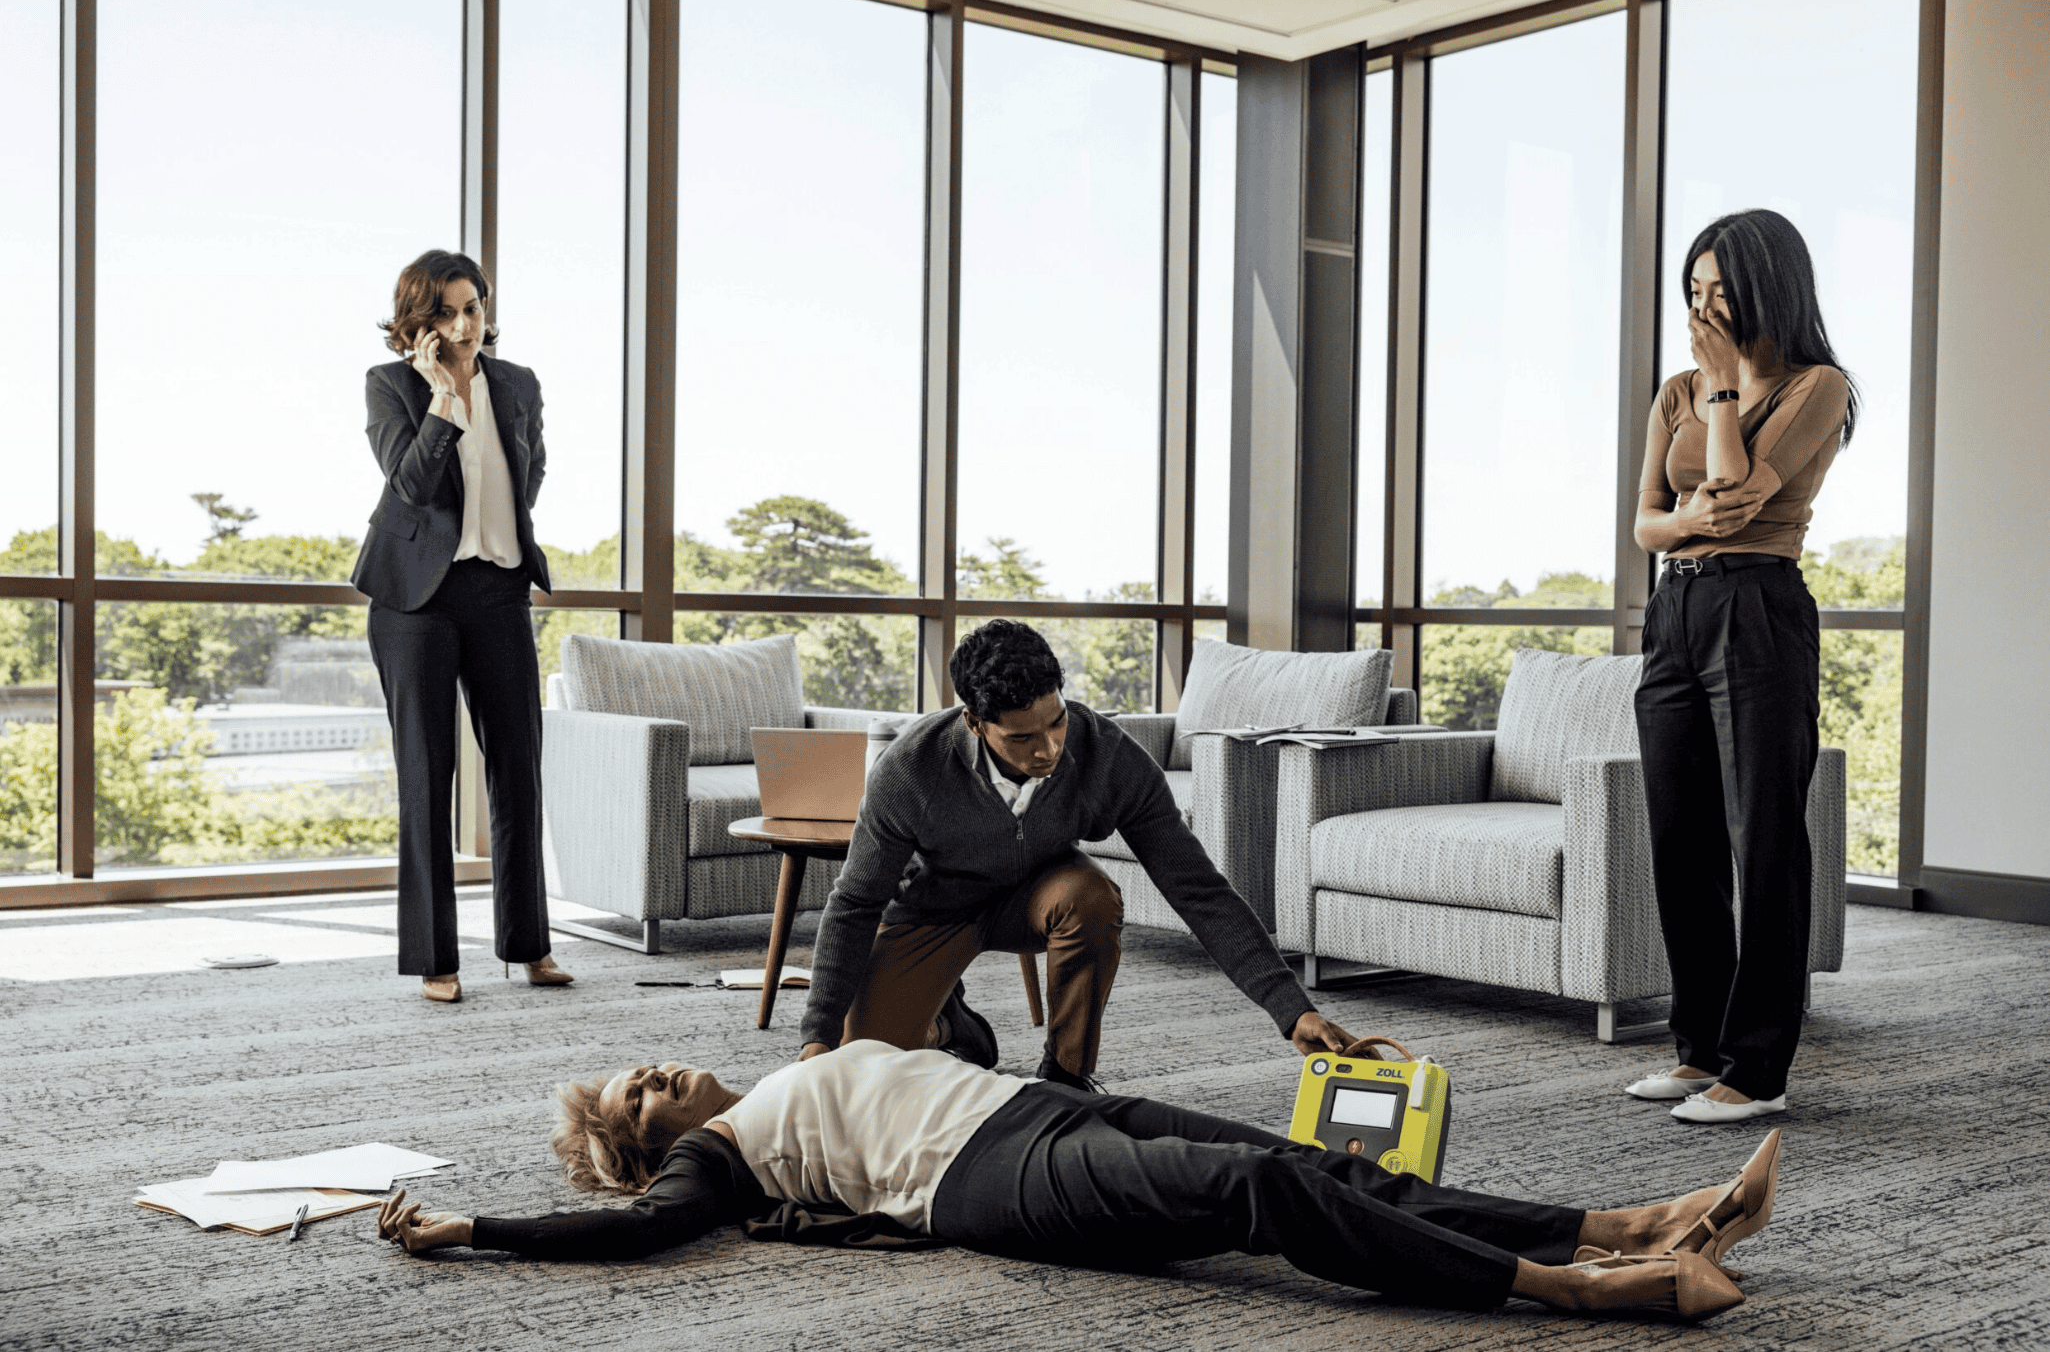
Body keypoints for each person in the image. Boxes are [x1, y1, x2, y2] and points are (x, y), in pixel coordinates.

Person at [376, 1042, 1782, 1323]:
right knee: (1264, 1200)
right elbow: (636, 1239)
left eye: (638, 1069)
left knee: (1311, 1161)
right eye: (636, 1097)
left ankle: (1632, 1218)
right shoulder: (714, 1157)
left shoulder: (785, 1071)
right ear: (648, 1144)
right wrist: (477, 1228)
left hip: (1037, 1106)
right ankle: (1576, 1289)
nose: (654, 1075)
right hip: (993, 1175)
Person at [795, 619, 1353, 1089]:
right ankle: (949, 1026)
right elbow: (855, 903)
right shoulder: (909, 771)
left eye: (1056, 722)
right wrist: (818, 1037)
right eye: (1021, 738)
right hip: (932, 911)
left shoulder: (1109, 756)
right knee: (863, 1068)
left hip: (1039, 897)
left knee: (1090, 896)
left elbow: (1198, 889)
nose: (1048, 750)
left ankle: (1066, 1077)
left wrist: (1291, 1009)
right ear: (974, 722)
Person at [1628, 209, 1856, 1123]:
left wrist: (1725, 389)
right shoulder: (1674, 391)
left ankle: (1758, 1070)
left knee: (1763, 839)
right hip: (1674, 611)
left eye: (1721, 290)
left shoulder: (1816, 387)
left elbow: (1736, 496)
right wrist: (1686, 520)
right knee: (1678, 838)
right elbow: (1648, 524)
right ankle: (1699, 1049)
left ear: (1770, 287)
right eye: (1694, 290)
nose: (1704, 308)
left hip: (1758, 609)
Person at [352, 249, 572, 1003]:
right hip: (415, 598)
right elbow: (410, 484)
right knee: (427, 773)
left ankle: (530, 945)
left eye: (472, 307)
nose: (463, 324)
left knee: (518, 767)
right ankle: (435, 958)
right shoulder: (390, 385)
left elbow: (529, 469)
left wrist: (500, 533)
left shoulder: (517, 383)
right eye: (445, 312)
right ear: (419, 321)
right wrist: (443, 399)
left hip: (498, 587)